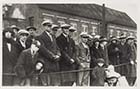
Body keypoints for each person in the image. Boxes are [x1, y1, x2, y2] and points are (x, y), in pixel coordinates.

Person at [36, 19, 61, 86]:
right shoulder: (40, 37)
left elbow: (57, 47)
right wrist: (52, 56)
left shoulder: (53, 36)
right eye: (48, 26)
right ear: (44, 27)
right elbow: (43, 49)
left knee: (54, 82)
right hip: (46, 62)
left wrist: (58, 54)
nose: (49, 27)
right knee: (46, 83)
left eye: (50, 26)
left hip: (54, 63)